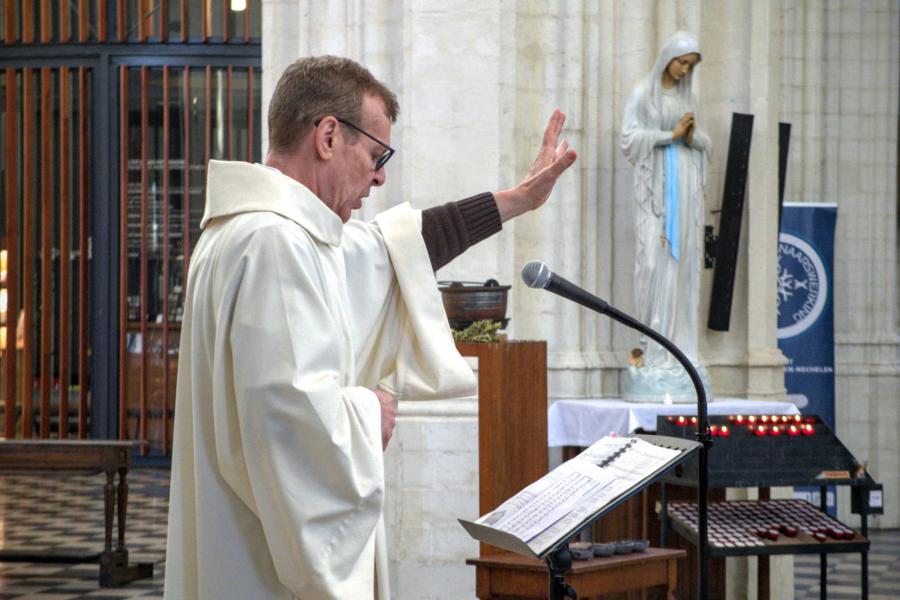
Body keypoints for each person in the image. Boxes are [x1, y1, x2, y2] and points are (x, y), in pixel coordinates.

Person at [164, 55, 577, 599]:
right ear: (329, 136)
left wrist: (516, 202)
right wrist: (366, 413)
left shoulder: (264, 232)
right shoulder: (275, 244)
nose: (381, 176)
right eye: (377, 154)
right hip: (265, 568)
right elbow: (287, 419)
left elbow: (395, 249)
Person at [619, 31, 712, 402]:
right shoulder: (644, 93)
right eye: (681, 62)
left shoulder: (688, 97)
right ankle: (654, 351)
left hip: (685, 195)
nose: (684, 70)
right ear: (668, 57)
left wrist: (690, 138)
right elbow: (628, 139)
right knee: (654, 268)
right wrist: (668, 136)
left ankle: (683, 352)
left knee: (683, 273)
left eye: (690, 65)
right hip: (656, 197)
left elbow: (704, 142)